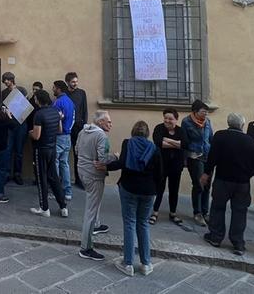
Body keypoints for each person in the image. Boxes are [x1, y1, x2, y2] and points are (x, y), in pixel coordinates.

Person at [103, 120, 162, 277]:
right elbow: (160, 174)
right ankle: (146, 263)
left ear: (133, 131)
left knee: (129, 223)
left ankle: (128, 263)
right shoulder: (154, 148)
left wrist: (105, 166)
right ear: (147, 133)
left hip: (129, 187)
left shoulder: (127, 143)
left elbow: (121, 163)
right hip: (149, 191)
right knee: (143, 224)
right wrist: (156, 192)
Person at [200, 113, 254, 254]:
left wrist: (206, 173)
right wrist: (247, 174)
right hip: (242, 183)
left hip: (223, 180)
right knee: (240, 212)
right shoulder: (250, 141)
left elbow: (212, 157)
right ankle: (238, 243)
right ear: (242, 125)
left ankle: (215, 237)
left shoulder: (220, 136)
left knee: (218, 208)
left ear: (228, 123)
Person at [77, 111, 115, 261]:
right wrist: (116, 156)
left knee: (94, 202)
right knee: (91, 211)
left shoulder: (83, 131)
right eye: (108, 122)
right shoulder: (101, 136)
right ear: (100, 122)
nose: (111, 124)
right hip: (94, 175)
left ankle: (97, 224)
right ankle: (85, 248)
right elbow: (104, 159)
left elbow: (76, 149)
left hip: (82, 171)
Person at [28, 89, 68, 218]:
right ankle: (63, 207)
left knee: (41, 179)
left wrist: (30, 133)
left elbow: (37, 135)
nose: (34, 100)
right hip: (52, 148)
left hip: (41, 150)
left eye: (35, 99)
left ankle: (44, 208)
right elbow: (60, 129)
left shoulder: (39, 114)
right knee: (54, 178)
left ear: (39, 100)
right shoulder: (55, 111)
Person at [151, 108, 186, 225]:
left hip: (176, 165)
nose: (167, 120)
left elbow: (184, 144)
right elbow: (158, 143)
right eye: (165, 118)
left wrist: (167, 140)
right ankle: (155, 212)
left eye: (170, 118)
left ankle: (173, 213)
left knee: (174, 189)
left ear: (176, 120)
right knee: (159, 189)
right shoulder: (159, 128)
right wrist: (176, 143)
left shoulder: (181, 131)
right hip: (161, 165)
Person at [182, 99, 214, 226]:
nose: (205, 114)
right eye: (203, 112)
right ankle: (197, 212)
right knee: (199, 184)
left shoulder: (207, 122)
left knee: (207, 185)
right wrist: (185, 159)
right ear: (195, 112)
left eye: (207, 112)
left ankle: (206, 212)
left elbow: (210, 137)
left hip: (208, 156)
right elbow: (184, 142)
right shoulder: (186, 122)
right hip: (195, 156)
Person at [1, 73, 29, 185]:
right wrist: (4, 110)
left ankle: (18, 174)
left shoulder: (22, 90)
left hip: (21, 124)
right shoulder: (4, 93)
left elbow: (26, 106)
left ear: (12, 80)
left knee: (19, 151)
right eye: (4, 80)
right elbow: (2, 107)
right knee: (7, 150)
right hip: (9, 125)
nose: (5, 82)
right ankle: (7, 174)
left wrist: (14, 108)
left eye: (6, 80)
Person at [51, 80, 76, 200]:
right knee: (64, 163)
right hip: (68, 136)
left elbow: (55, 121)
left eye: (54, 87)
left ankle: (55, 190)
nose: (53, 89)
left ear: (59, 89)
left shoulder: (58, 103)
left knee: (55, 163)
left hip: (59, 136)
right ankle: (68, 191)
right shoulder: (70, 102)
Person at [65, 72, 88, 189]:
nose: (76, 84)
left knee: (78, 154)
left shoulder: (82, 93)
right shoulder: (63, 94)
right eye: (73, 82)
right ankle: (64, 180)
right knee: (64, 154)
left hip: (78, 127)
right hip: (66, 127)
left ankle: (79, 179)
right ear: (68, 82)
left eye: (76, 81)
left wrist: (84, 125)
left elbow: (85, 110)